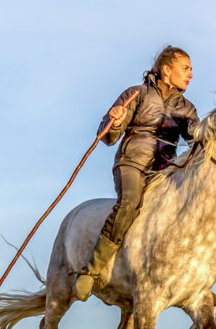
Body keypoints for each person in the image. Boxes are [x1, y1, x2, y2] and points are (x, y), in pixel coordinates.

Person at [74, 46, 199, 301]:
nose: (190, 75)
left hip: (165, 170)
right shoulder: (136, 95)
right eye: (185, 68)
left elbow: (198, 139)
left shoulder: (187, 109)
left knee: (196, 207)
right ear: (166, 69)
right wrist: (115, 120)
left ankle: (199, 283)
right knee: (130, 204)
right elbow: (108, 137)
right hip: (132, 163)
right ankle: (92, 269)